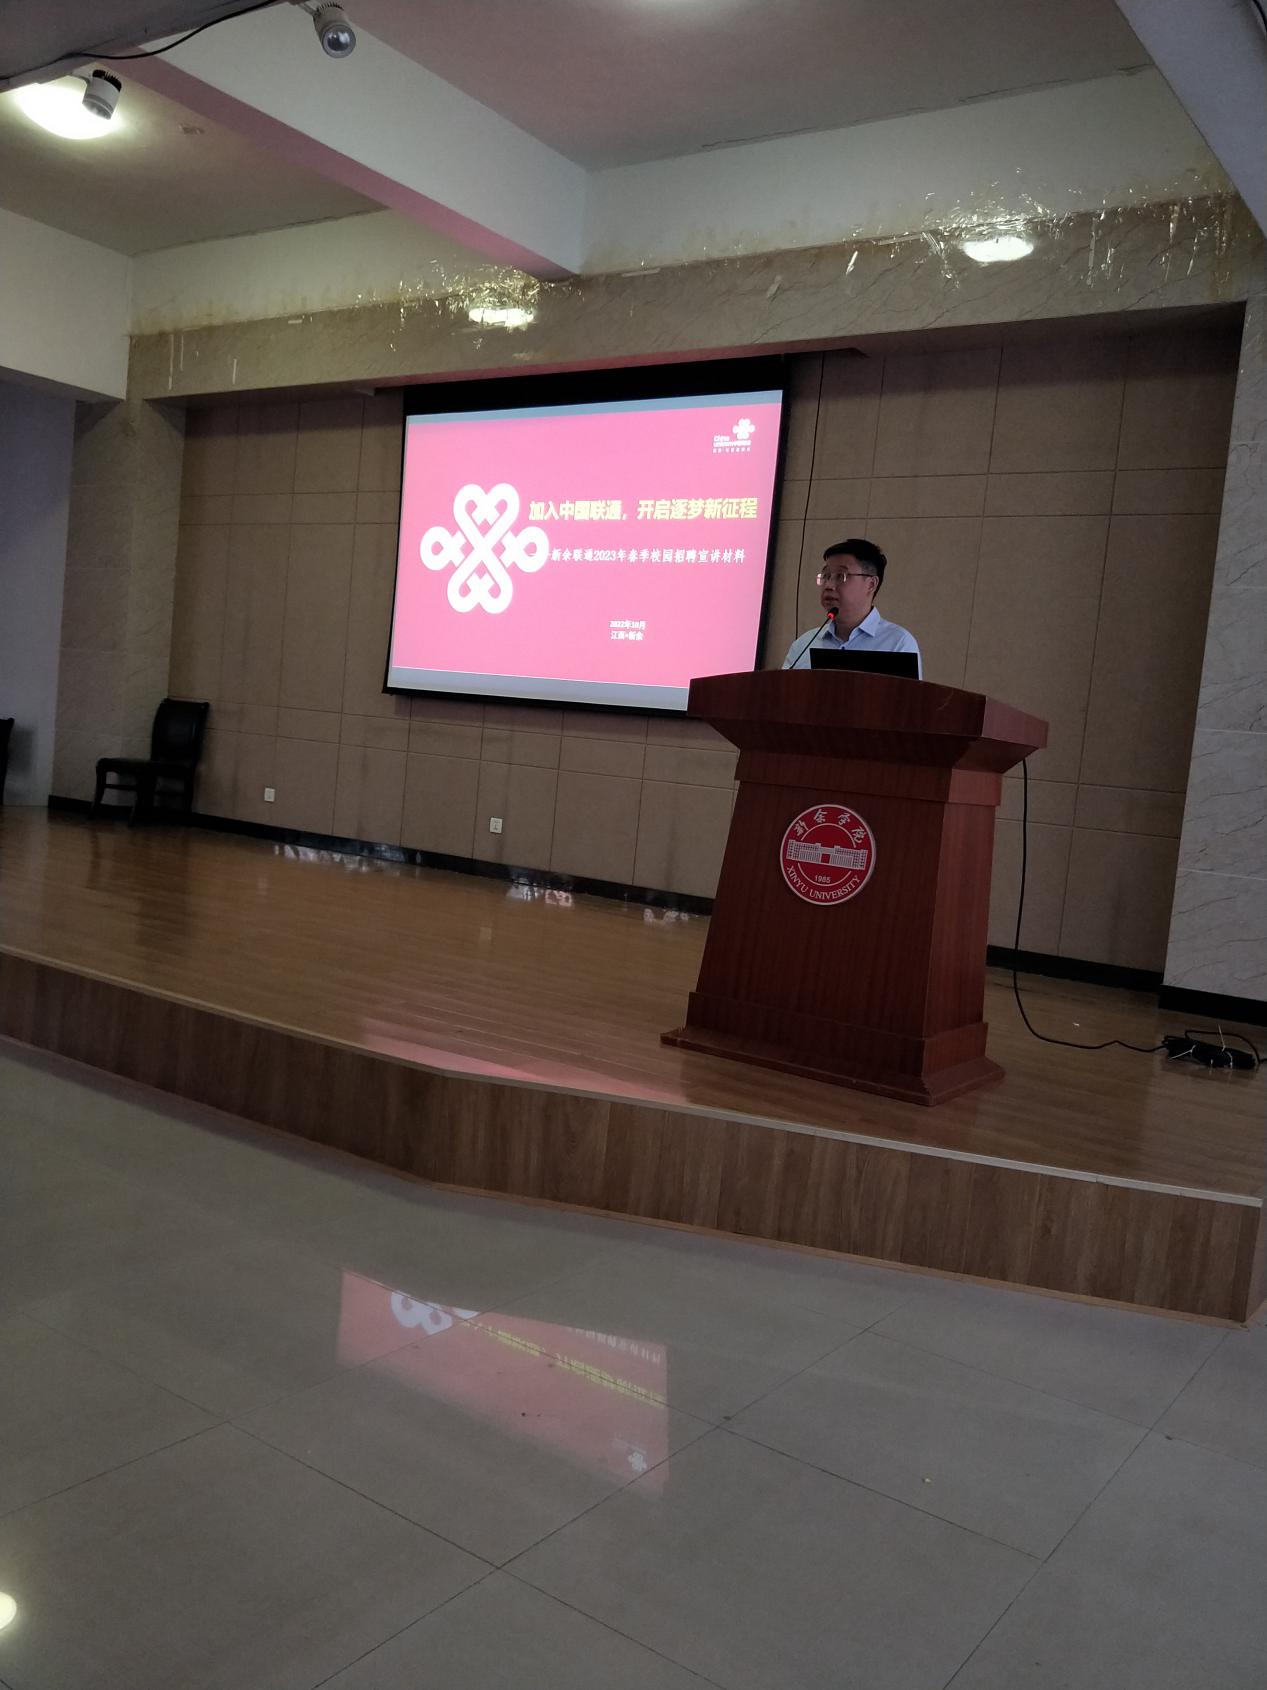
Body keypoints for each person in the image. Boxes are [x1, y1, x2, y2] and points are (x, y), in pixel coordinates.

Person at [781, 537, 922, 676]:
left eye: (840, 576)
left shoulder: (898, 643)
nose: (829, 585)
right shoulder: (804, 644)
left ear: (871, 584)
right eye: (826, 576)